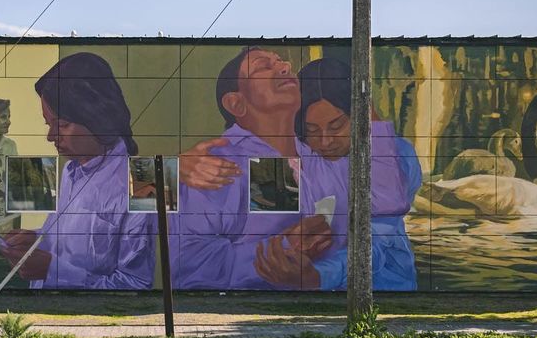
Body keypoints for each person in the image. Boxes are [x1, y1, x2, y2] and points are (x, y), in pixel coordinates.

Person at [252, 58, 422, 291]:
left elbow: (379, 241)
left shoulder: (395, 154)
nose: (325, 141)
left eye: (337, 126)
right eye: (312, 130)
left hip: (386, 290)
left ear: (361, 115)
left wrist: (318, 276)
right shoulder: (301, 151)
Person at [171, 47, 330, 290]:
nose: (285, 67)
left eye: (281, 62)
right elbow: (193, 266)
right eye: (263, 67)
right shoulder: (214, 165)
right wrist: (282, 251)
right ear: (236, 103)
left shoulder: (320, 155)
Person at [0, 52, 154, 289]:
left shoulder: (145, 179)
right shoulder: (71, 171)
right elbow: (70, 243)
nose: (51, 136)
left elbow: (137, 285)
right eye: (48, 124)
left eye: (62, 125)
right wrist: (38, 241)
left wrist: (52, 269)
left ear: (97, 117)